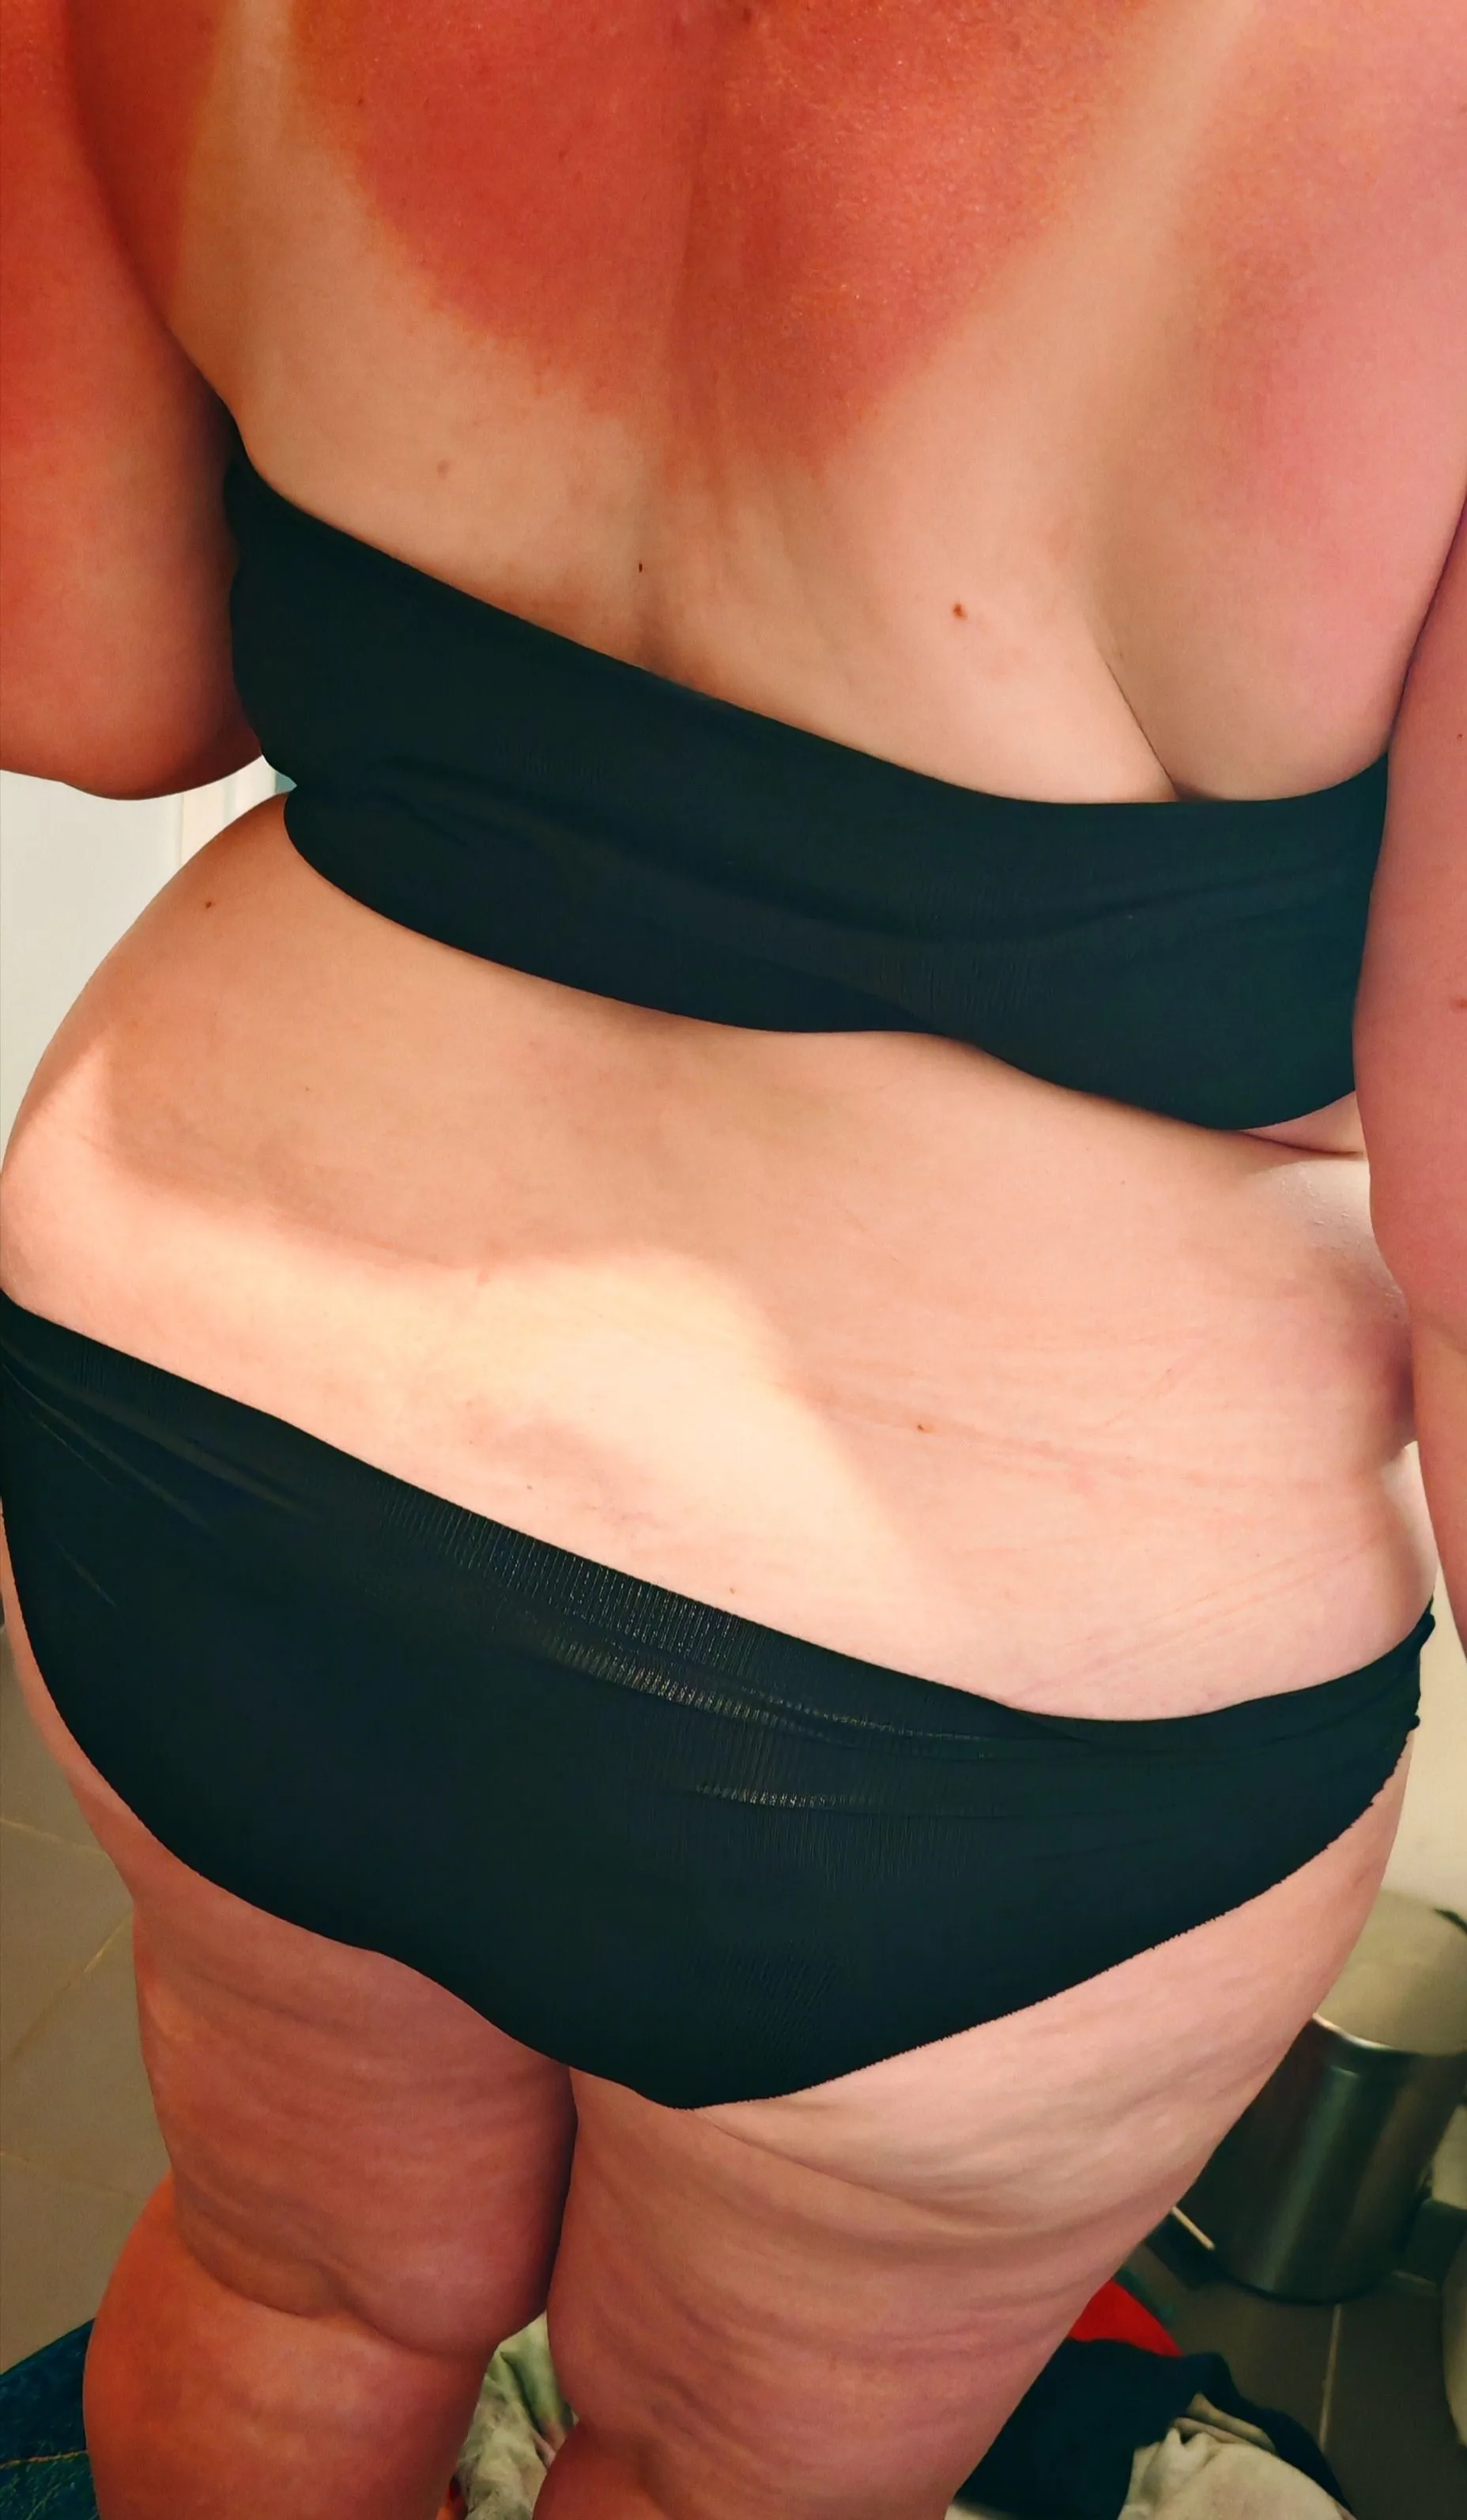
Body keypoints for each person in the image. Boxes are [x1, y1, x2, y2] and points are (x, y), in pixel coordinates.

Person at [0, 6, 1462, 2516]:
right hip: (984, 1683)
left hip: (207, 1422)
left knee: (286, 2281)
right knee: (714, 2469)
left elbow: (87, 668)